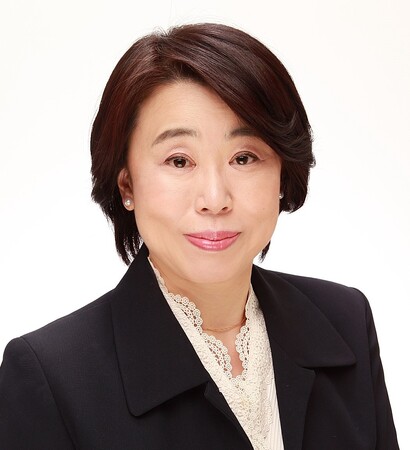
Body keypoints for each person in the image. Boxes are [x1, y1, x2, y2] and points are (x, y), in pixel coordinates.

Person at [0, 23, 399, 450]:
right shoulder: (50, 378)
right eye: (179, 161)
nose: (214, 199)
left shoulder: (345, 321)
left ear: (283, 174)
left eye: (244, 158)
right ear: (127, 183)